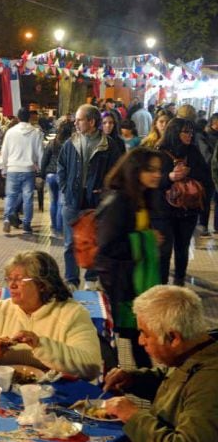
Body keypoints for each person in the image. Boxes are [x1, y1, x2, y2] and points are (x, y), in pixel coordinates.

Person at [103, 285, 218, 442]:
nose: (140, 341)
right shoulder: (197, 347)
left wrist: (133, 416)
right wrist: (134, 379)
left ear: (173, 338)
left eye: (145, 334)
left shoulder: (210, 384)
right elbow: (173, 380)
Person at [0, 251, 102, 380]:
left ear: (42, 285)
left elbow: (92, 367)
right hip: (4, 392)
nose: (12, 285)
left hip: (53, 397)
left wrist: (40, 344)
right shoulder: (2, 309)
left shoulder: (72, 314)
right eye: (9, 279)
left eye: (20, 279)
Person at [95, 148, 163, 369]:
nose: (157, 175)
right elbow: (107, 246)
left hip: (135, 280)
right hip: (120, 284)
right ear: (135, 171)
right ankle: (141, 385)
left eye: (158, 170)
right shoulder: (118, 200)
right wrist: (146, 240)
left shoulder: (141, 197)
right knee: (132, 336)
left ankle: (142, 382)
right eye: (150, 170)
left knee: (138, 337)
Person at [58, 104, 122, 289]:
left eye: (80, 120)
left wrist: (106, 191)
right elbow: (61, 166)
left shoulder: (109, 145)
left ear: (92, 122)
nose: (76, 123)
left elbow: (117, 172)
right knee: (70, 243)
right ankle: (71, 279)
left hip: (96, 201)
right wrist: (65, 187)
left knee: (93, 241)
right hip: (72, 199)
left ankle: (91, 279)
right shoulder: (71, 142)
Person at [151, 117, 211, 285]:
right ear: (174, 132)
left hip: (188, 210)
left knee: (182, 248)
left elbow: (206, 179)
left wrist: (189, 175)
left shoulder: (193, 152)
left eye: (191, 132)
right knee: (163, 252)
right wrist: (169, 177)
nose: (190, 136)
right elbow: (152, 182)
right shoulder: (160, 153)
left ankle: (179, 283)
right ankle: (161, 286)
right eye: (186, 132)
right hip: (164, 212)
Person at [0, 108, 44, 234]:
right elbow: (40, 152)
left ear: (18, 118)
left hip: (13, 168)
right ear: (29, 117)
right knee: (28, 197)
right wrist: (40, 168)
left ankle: (7, 219)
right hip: (28, 169)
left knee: (11, 196)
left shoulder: (10, 132)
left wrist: (4, 167)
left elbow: (5, 151)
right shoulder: (35, 132)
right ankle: (26, 223)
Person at [41, 118, 74, 237]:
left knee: (53, 202)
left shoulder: (53, 142)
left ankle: (54, 226)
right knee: (61, 203)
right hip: (62, 176)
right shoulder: (70, 144)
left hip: (50, 175)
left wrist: (42, 174)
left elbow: (45, 159)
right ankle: (60, 229)